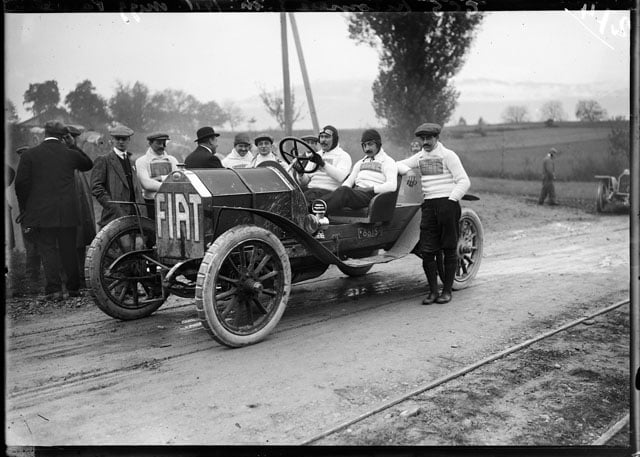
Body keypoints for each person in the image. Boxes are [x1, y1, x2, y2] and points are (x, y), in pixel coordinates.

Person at [15, 121, 93, 300]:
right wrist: (73, 146)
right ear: (64, 136)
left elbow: (20, 184)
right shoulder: (69, 154)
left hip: (41, 213)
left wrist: (26, 207)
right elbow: (88, 164)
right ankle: (73, 289)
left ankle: (54, 290)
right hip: (67, 212)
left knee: (48, 249)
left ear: (45, 133)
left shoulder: (30, 155)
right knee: (69, 250)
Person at [397, 122, 470, 305]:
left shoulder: (448, 155)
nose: (425, 142)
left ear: (437, 138)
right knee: (428, 251)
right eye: (422, 138)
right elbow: (397, 165)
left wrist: (451, 200)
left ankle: (447, 291)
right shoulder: (420, 157)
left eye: (429, 138)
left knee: (449, 248)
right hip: (428, 205)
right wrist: (409, 172)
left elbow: (464, 181)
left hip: (448, 203)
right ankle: (433, 291)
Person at [323, 129, 397, 215]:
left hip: (373, 196)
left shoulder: (387, 161)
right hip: (357, 194)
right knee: (341, 191)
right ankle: (315, 207)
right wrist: (338, 192)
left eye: (370, 144)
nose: (367, 149)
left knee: (344, 192)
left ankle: (314, 209)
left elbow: (392, 186)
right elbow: (349, 182)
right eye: (364, 145)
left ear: (378, 144)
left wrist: (369, 189)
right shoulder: (360, 163)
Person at [91, 124, 146, 229]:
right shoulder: (104, 160)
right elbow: (96, 187)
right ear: (112, 140)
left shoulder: (131, 161)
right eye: (118, 139)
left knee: (136, 245)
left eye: (124, 139)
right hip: (113, 216)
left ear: (129, 140)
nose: (121, 142)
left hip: (134, 215)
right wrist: (112, 206)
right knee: (118, 245)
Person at [64, 125, 97, 287]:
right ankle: (73, 278)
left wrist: (74, 147)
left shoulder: (76, 154)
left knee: (81, 237)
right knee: (72, 240)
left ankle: (82, 276)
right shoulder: (63, 155)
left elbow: (87, 163)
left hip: (81, 199)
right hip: (69, 203)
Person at [295, 125, 352, 202]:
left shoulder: (343, 156)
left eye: (327, 137)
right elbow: (305, 181)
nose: (323, 140)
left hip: (328, 192)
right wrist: (300, 173)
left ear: (335, 139)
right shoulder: (316, 155)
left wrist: (323, 164)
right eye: (321, 137)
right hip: (311, 190)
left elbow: (341, 177)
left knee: (301, 200)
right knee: (291, 193)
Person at [135, 132, 179, 220]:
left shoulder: (172, 160)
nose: (162, 146)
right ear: (150, 143)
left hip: (172, 202)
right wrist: (170, 183)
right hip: (152, 203)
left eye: (164, 143)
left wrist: (161, 178)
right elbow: (147, 184)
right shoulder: (141, 161)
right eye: (158, 143)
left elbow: (178, 179)